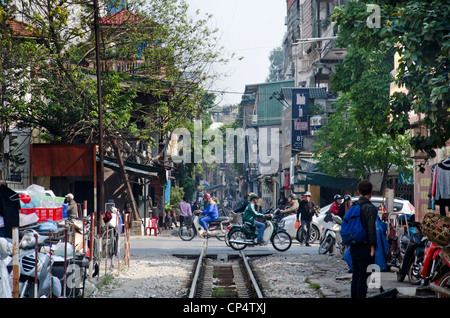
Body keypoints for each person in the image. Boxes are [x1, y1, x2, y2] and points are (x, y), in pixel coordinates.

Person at [350, 180, 378, 298]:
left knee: (355, 275)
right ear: (371, 192)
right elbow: (371, 228)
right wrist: (373, 246)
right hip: (365, 247)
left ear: (358, 191)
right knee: (363, 276)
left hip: (353, 245)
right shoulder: (370, 207)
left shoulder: (354, 205)